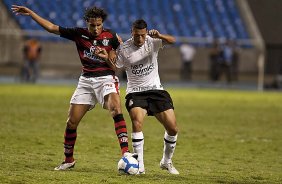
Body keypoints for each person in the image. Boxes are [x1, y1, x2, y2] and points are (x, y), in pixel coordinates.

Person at [12, 5, 132, 170]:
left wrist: (105, 58)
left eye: (98, 25)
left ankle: (126, 154)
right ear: (87, 23)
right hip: (85, 81)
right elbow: (51, 28)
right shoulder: (78, 33)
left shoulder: (111, 36)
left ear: (102, 23)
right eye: (92, 25)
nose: (96, 29)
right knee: (71, 122)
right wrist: (31, 13)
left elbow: (115, 67)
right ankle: (68, 160)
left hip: (106, 78)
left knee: (116, 109)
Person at [114, 19, 179, 174]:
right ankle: (140, 165)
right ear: (132, 32)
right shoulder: (124, 48)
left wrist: (160, 36)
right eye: (137, 35)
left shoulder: (152, 41)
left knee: (173, 128)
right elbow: (114, 66)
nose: (140, 39)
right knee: (137, 122)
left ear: (146, 32)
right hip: (135, 92)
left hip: (156, 90)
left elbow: (173, 40)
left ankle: (166, 161)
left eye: (143, 35)